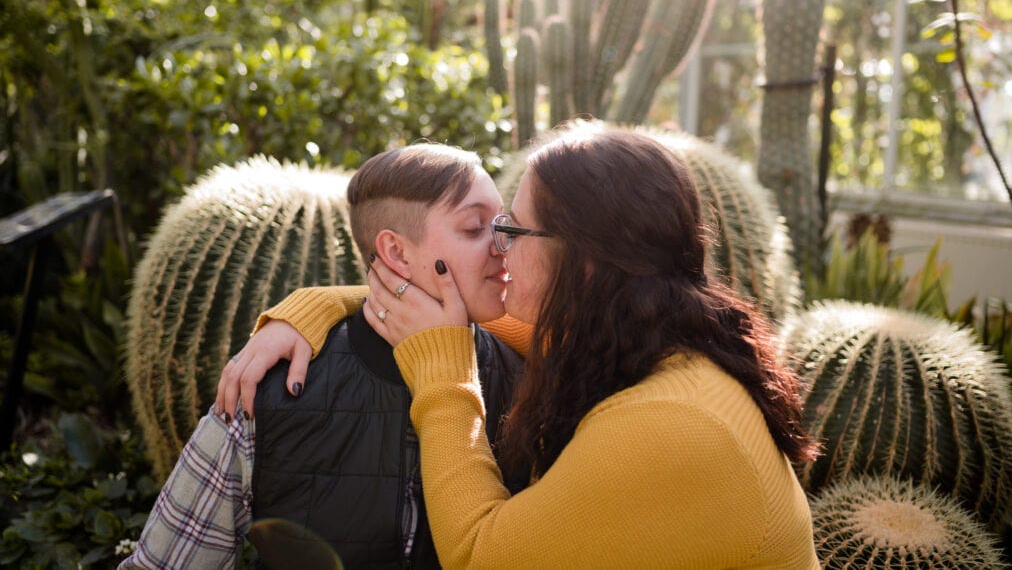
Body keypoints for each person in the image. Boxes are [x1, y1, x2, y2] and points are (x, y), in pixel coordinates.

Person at [223, 125, 822, 568]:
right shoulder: (646, 339)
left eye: (511, 228)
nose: (498, 248)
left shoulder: (669, 423)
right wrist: (325, 305)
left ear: (582, 261)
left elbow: (478, 556)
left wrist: (446, 378)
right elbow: (451, 308)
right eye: (480, 228)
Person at [121, 143, 528, 569]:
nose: (504, 245)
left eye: (502, 224)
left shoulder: (534, 384)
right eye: (474, 227)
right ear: (396, 253)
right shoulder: (270, 387)